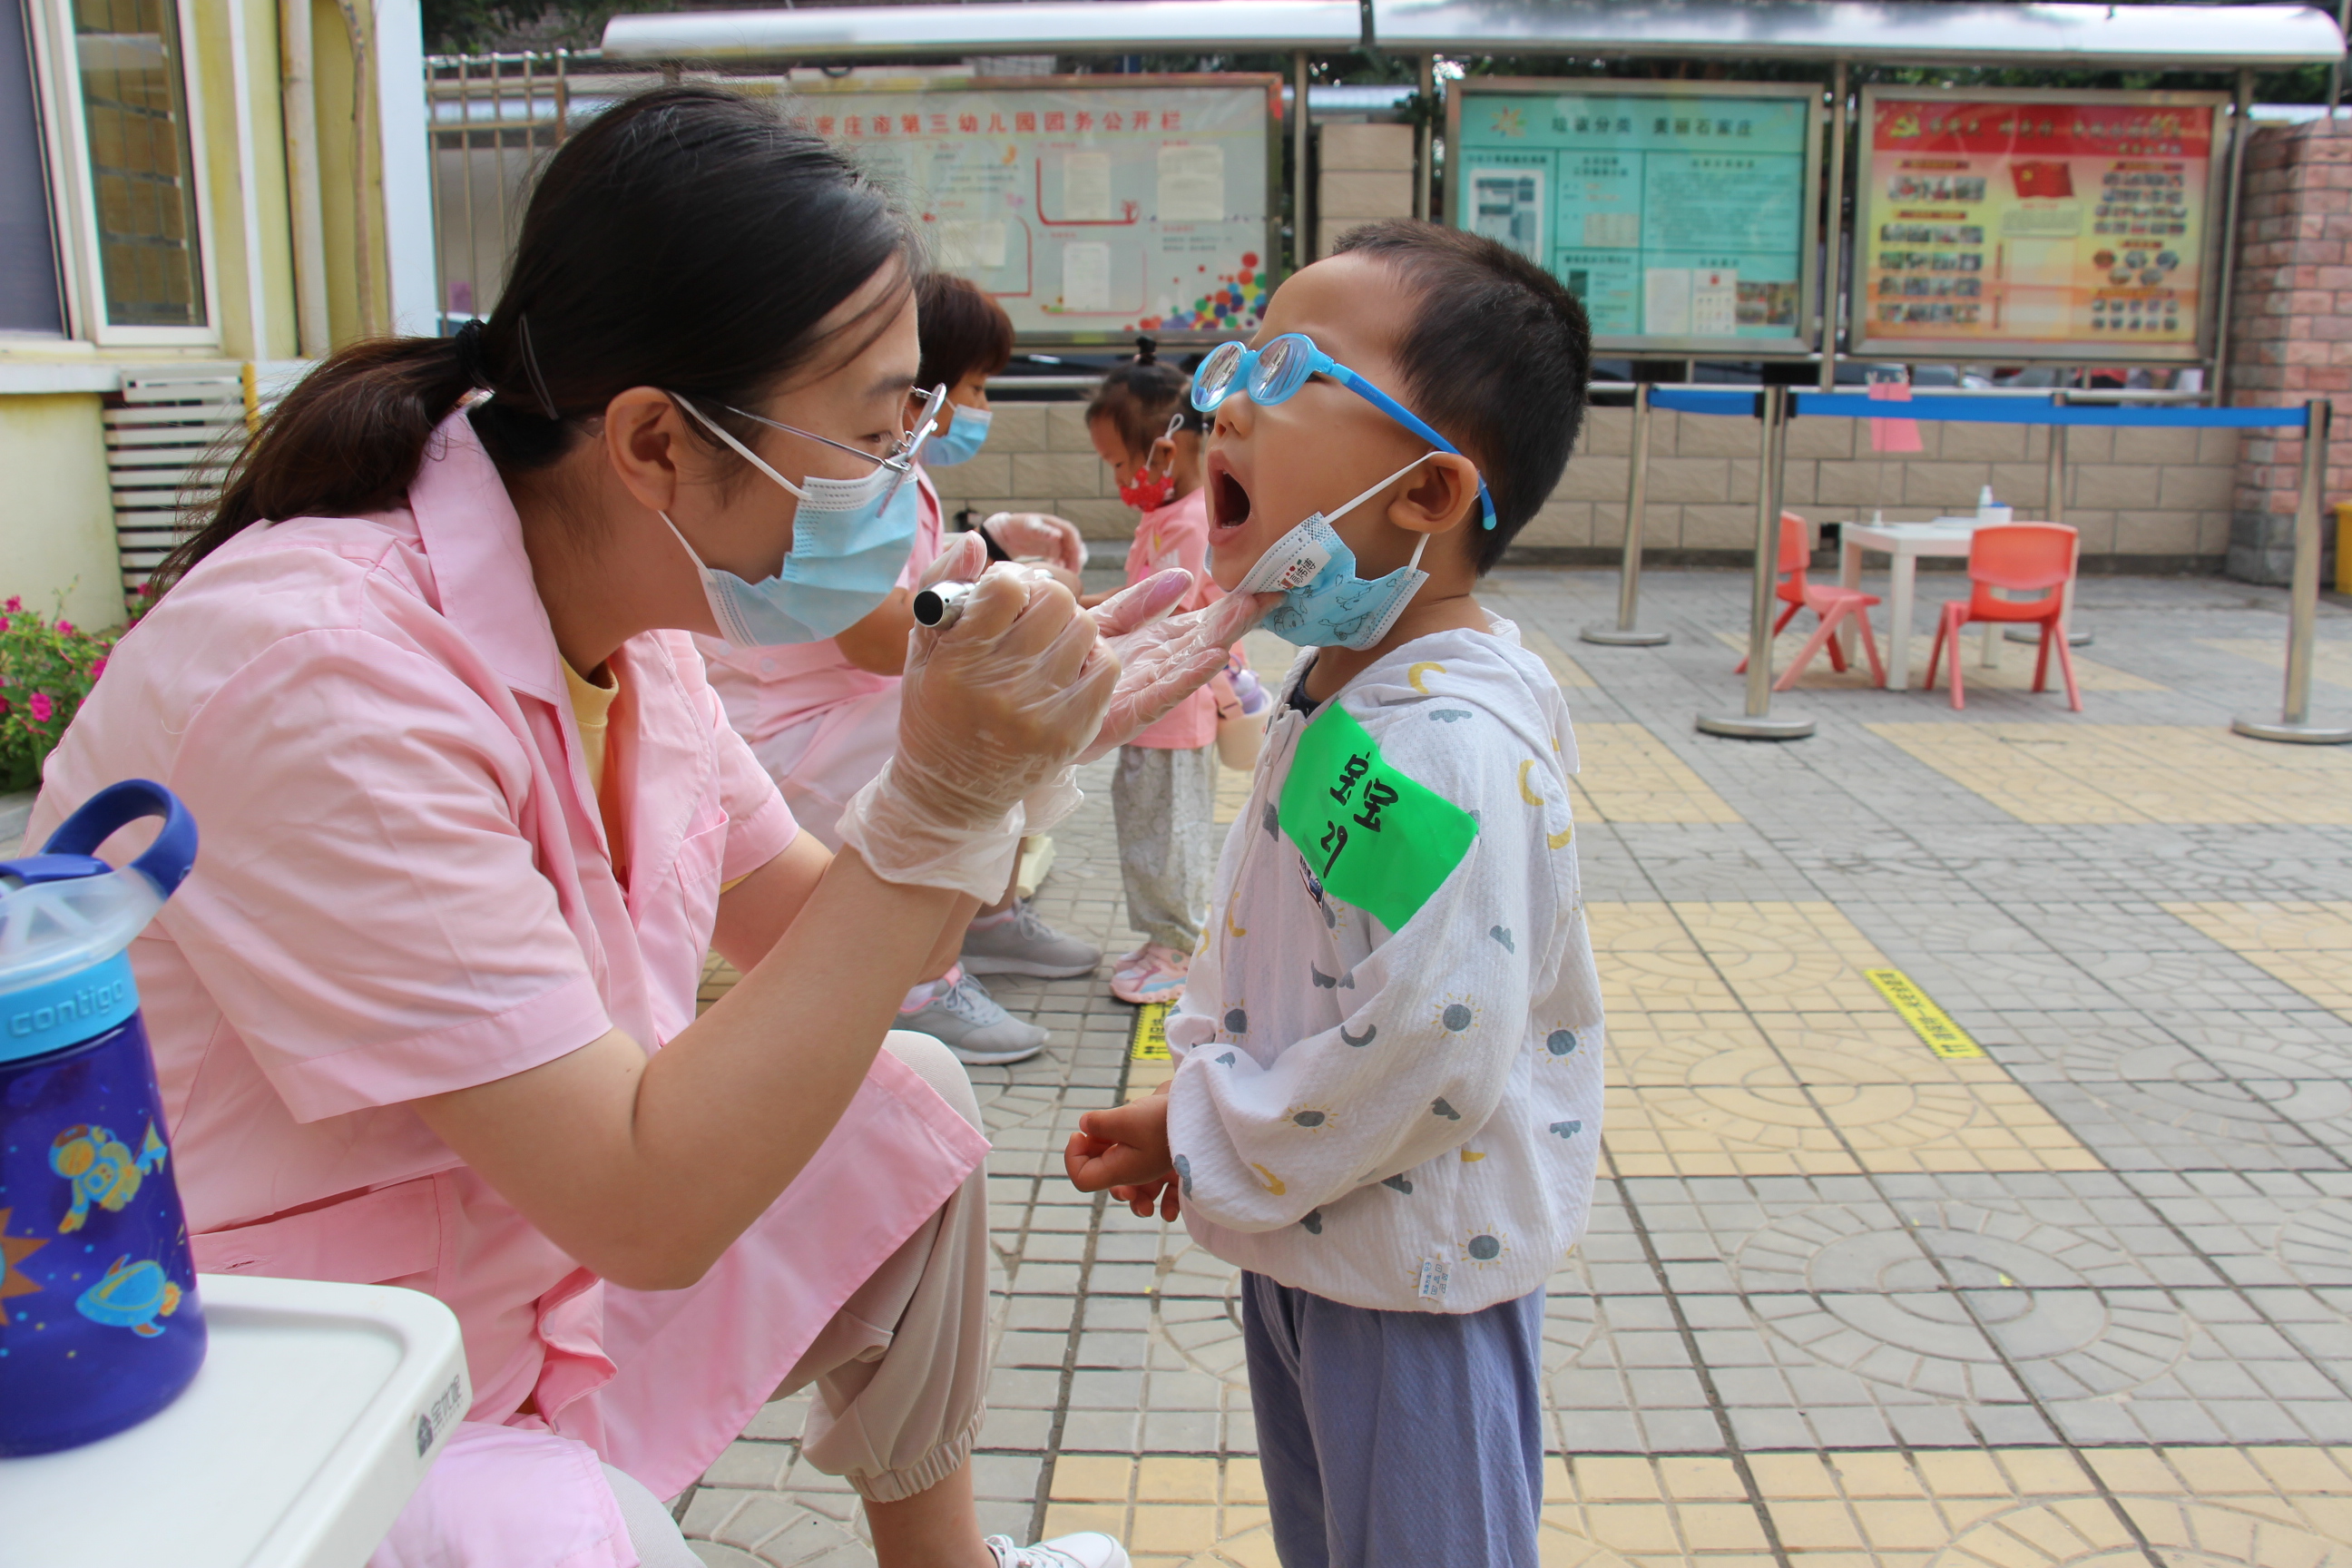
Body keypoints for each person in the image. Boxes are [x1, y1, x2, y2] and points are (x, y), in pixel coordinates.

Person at [24, 86, 1255, 1568]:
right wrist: (938, 793)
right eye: (874, 435)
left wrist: (1011, 769)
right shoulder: (325, 676)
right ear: (659, 443)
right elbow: (645, 1205)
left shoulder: (629, 615)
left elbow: (850, 945)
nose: (909, 490)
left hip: (516, 1256)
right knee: (573, 1536)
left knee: (905, 1101)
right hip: (264, 1350)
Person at [1063, 220, 1603, 1568]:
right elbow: (1314, 951)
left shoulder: (1437, 746)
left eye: (1294, 369)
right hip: (1321, 1224)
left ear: (1426, 495)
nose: (1224, 399)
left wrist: (1208, 1129)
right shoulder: (1352, 676)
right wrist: (1197, 1110)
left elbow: (1434, 1043)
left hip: (1406, 1279)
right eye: (1239, 357)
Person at [696, 270, 1101, 1066]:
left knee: (1008, 722)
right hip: (792, 730)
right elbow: (881, 634)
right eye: (972, 386)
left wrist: (997, 558)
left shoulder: (893, 470)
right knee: (982, 731)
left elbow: (913, 599)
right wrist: (1002, 606)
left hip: (835, 711)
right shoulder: (840, 474)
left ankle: (976, 921)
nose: (973, 408)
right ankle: (916, 985)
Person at [1082, 345, 1224, 1004]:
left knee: (1167, 829)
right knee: (1147, 820)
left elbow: (1167, 611)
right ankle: (1164, 938)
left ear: (1165, 451)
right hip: (1149, 706)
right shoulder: (1165, 518)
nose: (1117, 480)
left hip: (1173, 710)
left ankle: (1179, 945)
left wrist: (1083, 610)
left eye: (1118, 463)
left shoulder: (1191, 524)